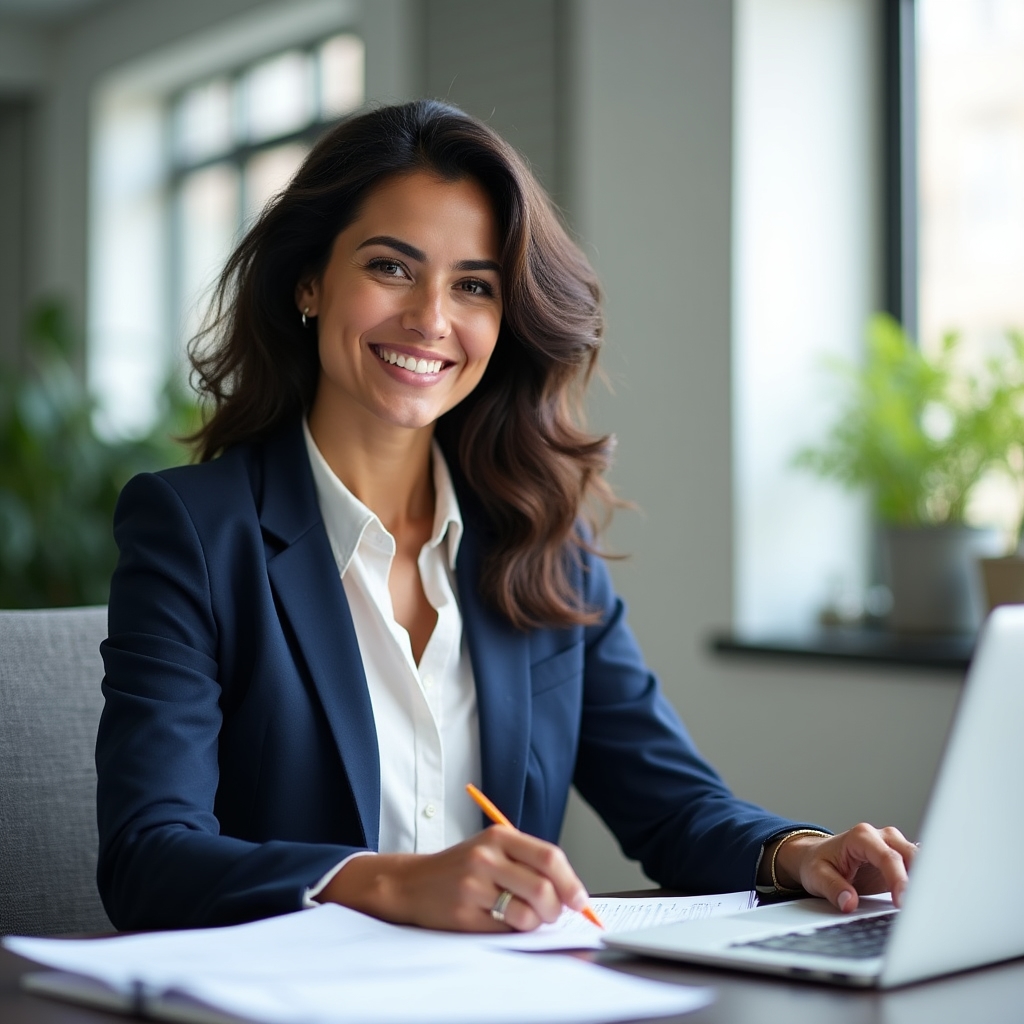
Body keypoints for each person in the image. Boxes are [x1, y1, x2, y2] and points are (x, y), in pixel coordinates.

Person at [96, 100, 916, 933]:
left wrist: (800, 853)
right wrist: (382, 883)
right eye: (390, 267)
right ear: (310, 280)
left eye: (474, 286)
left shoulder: (541, 541)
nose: (431, 318)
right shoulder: (194, 531)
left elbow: (672, 806)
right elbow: (147, 859)